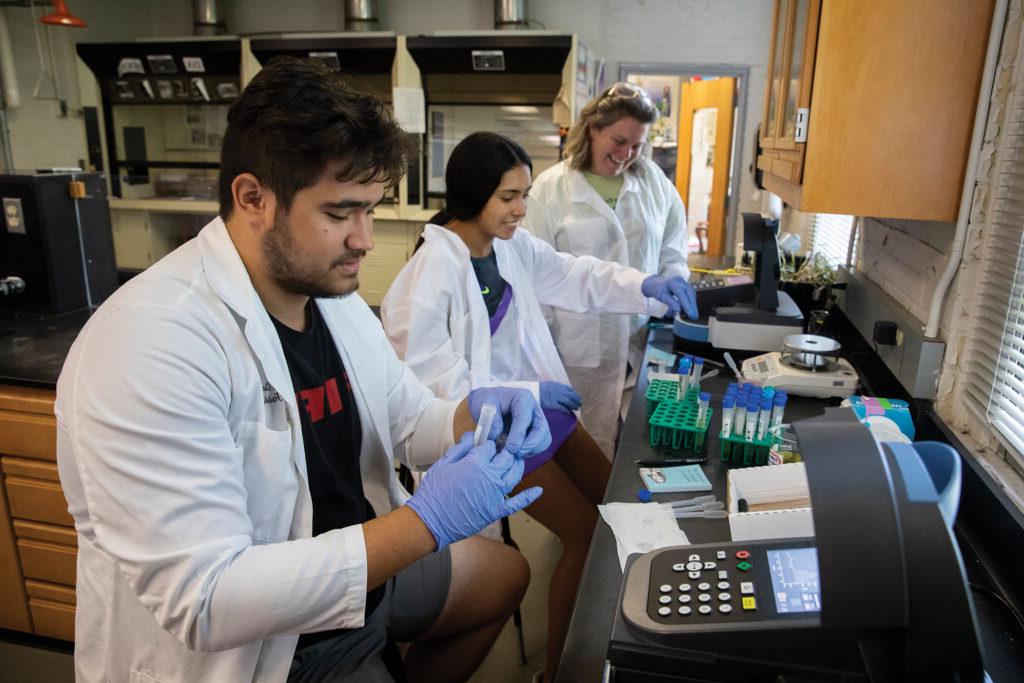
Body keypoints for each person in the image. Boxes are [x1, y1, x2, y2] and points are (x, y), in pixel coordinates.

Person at [55, 58, 554, 683]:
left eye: (371, 210)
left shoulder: (331, 301)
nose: (365, 240)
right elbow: (206, 599)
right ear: (253, 198)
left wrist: (470, 414)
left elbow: (406, 417)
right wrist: (425, 524)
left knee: (504, 574)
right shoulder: (153, 342)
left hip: (359, 565)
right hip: (267, 642)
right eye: (341, 213)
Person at [381, 132, 696, 682]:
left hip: (538, 408)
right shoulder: (427, 277)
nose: (522, 209)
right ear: (471, 195)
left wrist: (646, 284)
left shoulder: (510, 248)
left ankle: (617, 644)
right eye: (508, 197)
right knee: (584, 534)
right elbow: (428, 388)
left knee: (617, 505)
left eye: (524, 194)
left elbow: (574, 274)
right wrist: (523, 396)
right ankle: (562, 672)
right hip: (494, 432)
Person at [523, 81, 698, 459]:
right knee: (586, 458)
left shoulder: (654, 183)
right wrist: (542, 359)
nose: (626, 154)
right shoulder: (550, 190)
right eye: (618, 141)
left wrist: (674, 282)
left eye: (636, 145)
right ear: (593, 129)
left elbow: (671, 250)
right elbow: (533, 280)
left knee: (638, 453)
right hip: (578, 351)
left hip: (642, 341)